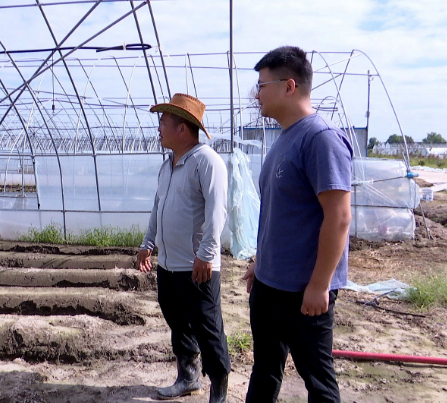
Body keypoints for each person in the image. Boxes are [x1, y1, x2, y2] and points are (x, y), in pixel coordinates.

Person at [241, 46, 353, 402]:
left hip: (302, 291)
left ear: (289, 86)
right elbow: (281, 213)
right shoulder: (285, 138)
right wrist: (261, 262)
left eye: (262, 85)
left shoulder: (320, 138)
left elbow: (339, 217)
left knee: (317, 381)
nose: (256, 94)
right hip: (269, 284)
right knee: (265, 368)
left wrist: (320, 285)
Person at [136, 93, 230, 403]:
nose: (159, 128)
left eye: (164, 122)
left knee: (208, 327)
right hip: (168, 265)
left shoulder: (207, 161)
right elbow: (158, 207)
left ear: (182, 128)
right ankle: (188, 377)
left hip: (197, 265)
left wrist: (206, 254)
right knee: (178, 322)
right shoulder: (168, 166)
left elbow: (217, 211)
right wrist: (148, 243)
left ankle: (219, 390)